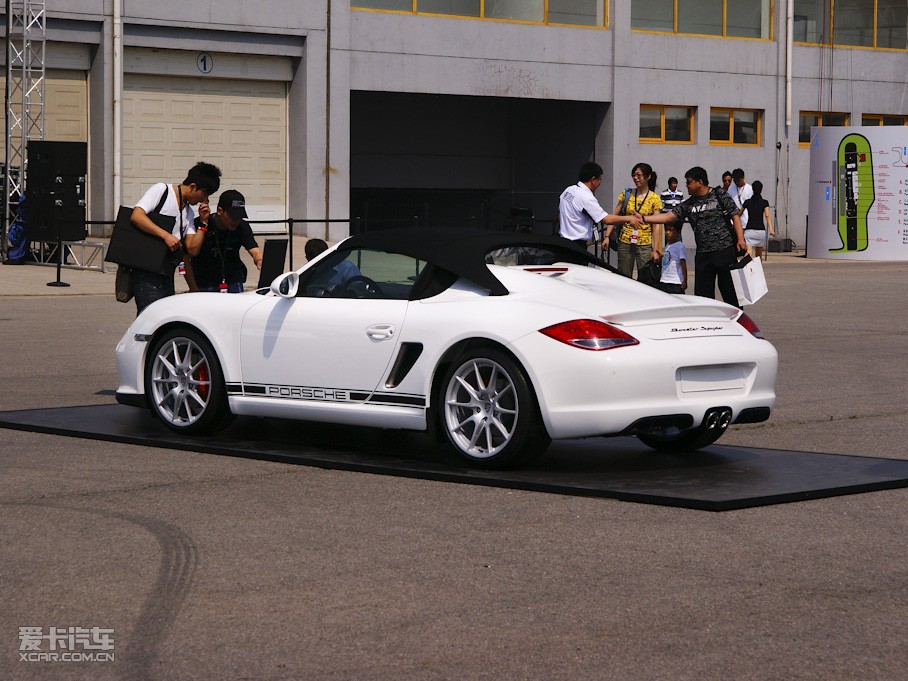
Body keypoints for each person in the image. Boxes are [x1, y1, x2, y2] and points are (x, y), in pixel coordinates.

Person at [641, 166, 745, 306]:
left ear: (700, 182)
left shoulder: (719, 194)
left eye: (689, 182)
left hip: (724, 252)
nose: (687, 186)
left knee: (730, 293)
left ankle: (737, 322)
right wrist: (643, 219)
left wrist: (740, 239)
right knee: (703, 298)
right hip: (703, 255)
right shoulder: (689, 204)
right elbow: (668, 217)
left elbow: (735, 215)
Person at [130, 161, 221, 313]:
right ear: (193, 186)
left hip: (166, 272)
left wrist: (204, 222)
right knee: (150, 318)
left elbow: (192, 249)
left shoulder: (189, 213)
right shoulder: (162, 191)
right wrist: (166, 235)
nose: (203, 199)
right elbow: (137, 216)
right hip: (147, 271)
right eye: (204, 194)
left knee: (163, 319)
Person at [185, 189, 262, 292]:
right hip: (204, 284)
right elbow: (187, 257)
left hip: (233, 281)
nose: (236, 221)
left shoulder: (242, 226)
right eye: (233, 217)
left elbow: (255, 250)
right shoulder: (200, 223)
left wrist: (259, 260)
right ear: (220, 211)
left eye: (240, 217)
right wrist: (193, 287)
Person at [558, 161, 640, 250]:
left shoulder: (569, 190)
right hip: (576, 246)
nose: (600, 183)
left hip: (563, 242)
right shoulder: (586, 197)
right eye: (599, 179)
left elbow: (559, 215)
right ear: (593, 180)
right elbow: (606, 219)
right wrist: (630, 218)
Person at [605, 163, 663, 279]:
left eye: (639, 175)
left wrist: (656, 249)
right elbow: (614, 216)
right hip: (625, 242)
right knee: (624, 276)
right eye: (633, 175)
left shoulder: (655, 199)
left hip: (645, 244)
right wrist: (607, 236)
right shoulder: (627, 194)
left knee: (646, 277)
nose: (635, 178)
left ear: (648, 177)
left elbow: (656, 225)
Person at [741, 180, 775, 259]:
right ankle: (758, 270)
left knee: (749, 252)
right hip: (760, 231)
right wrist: (771, 229)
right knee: (759, 256)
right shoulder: (764, 202)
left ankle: (747, 268)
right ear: (761, 189)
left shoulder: (747, 202)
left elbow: (739, 213)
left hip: (749, 230)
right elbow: (767, 215)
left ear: (752, 189)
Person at [659, 222, 687, 294]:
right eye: (666, 230)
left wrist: (685, 280)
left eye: (671, 230)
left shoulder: (679, 246)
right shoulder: (668, 245)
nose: (667, 233)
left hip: (675, 282)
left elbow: (683, 264)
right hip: (665, 280)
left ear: (678, 232)